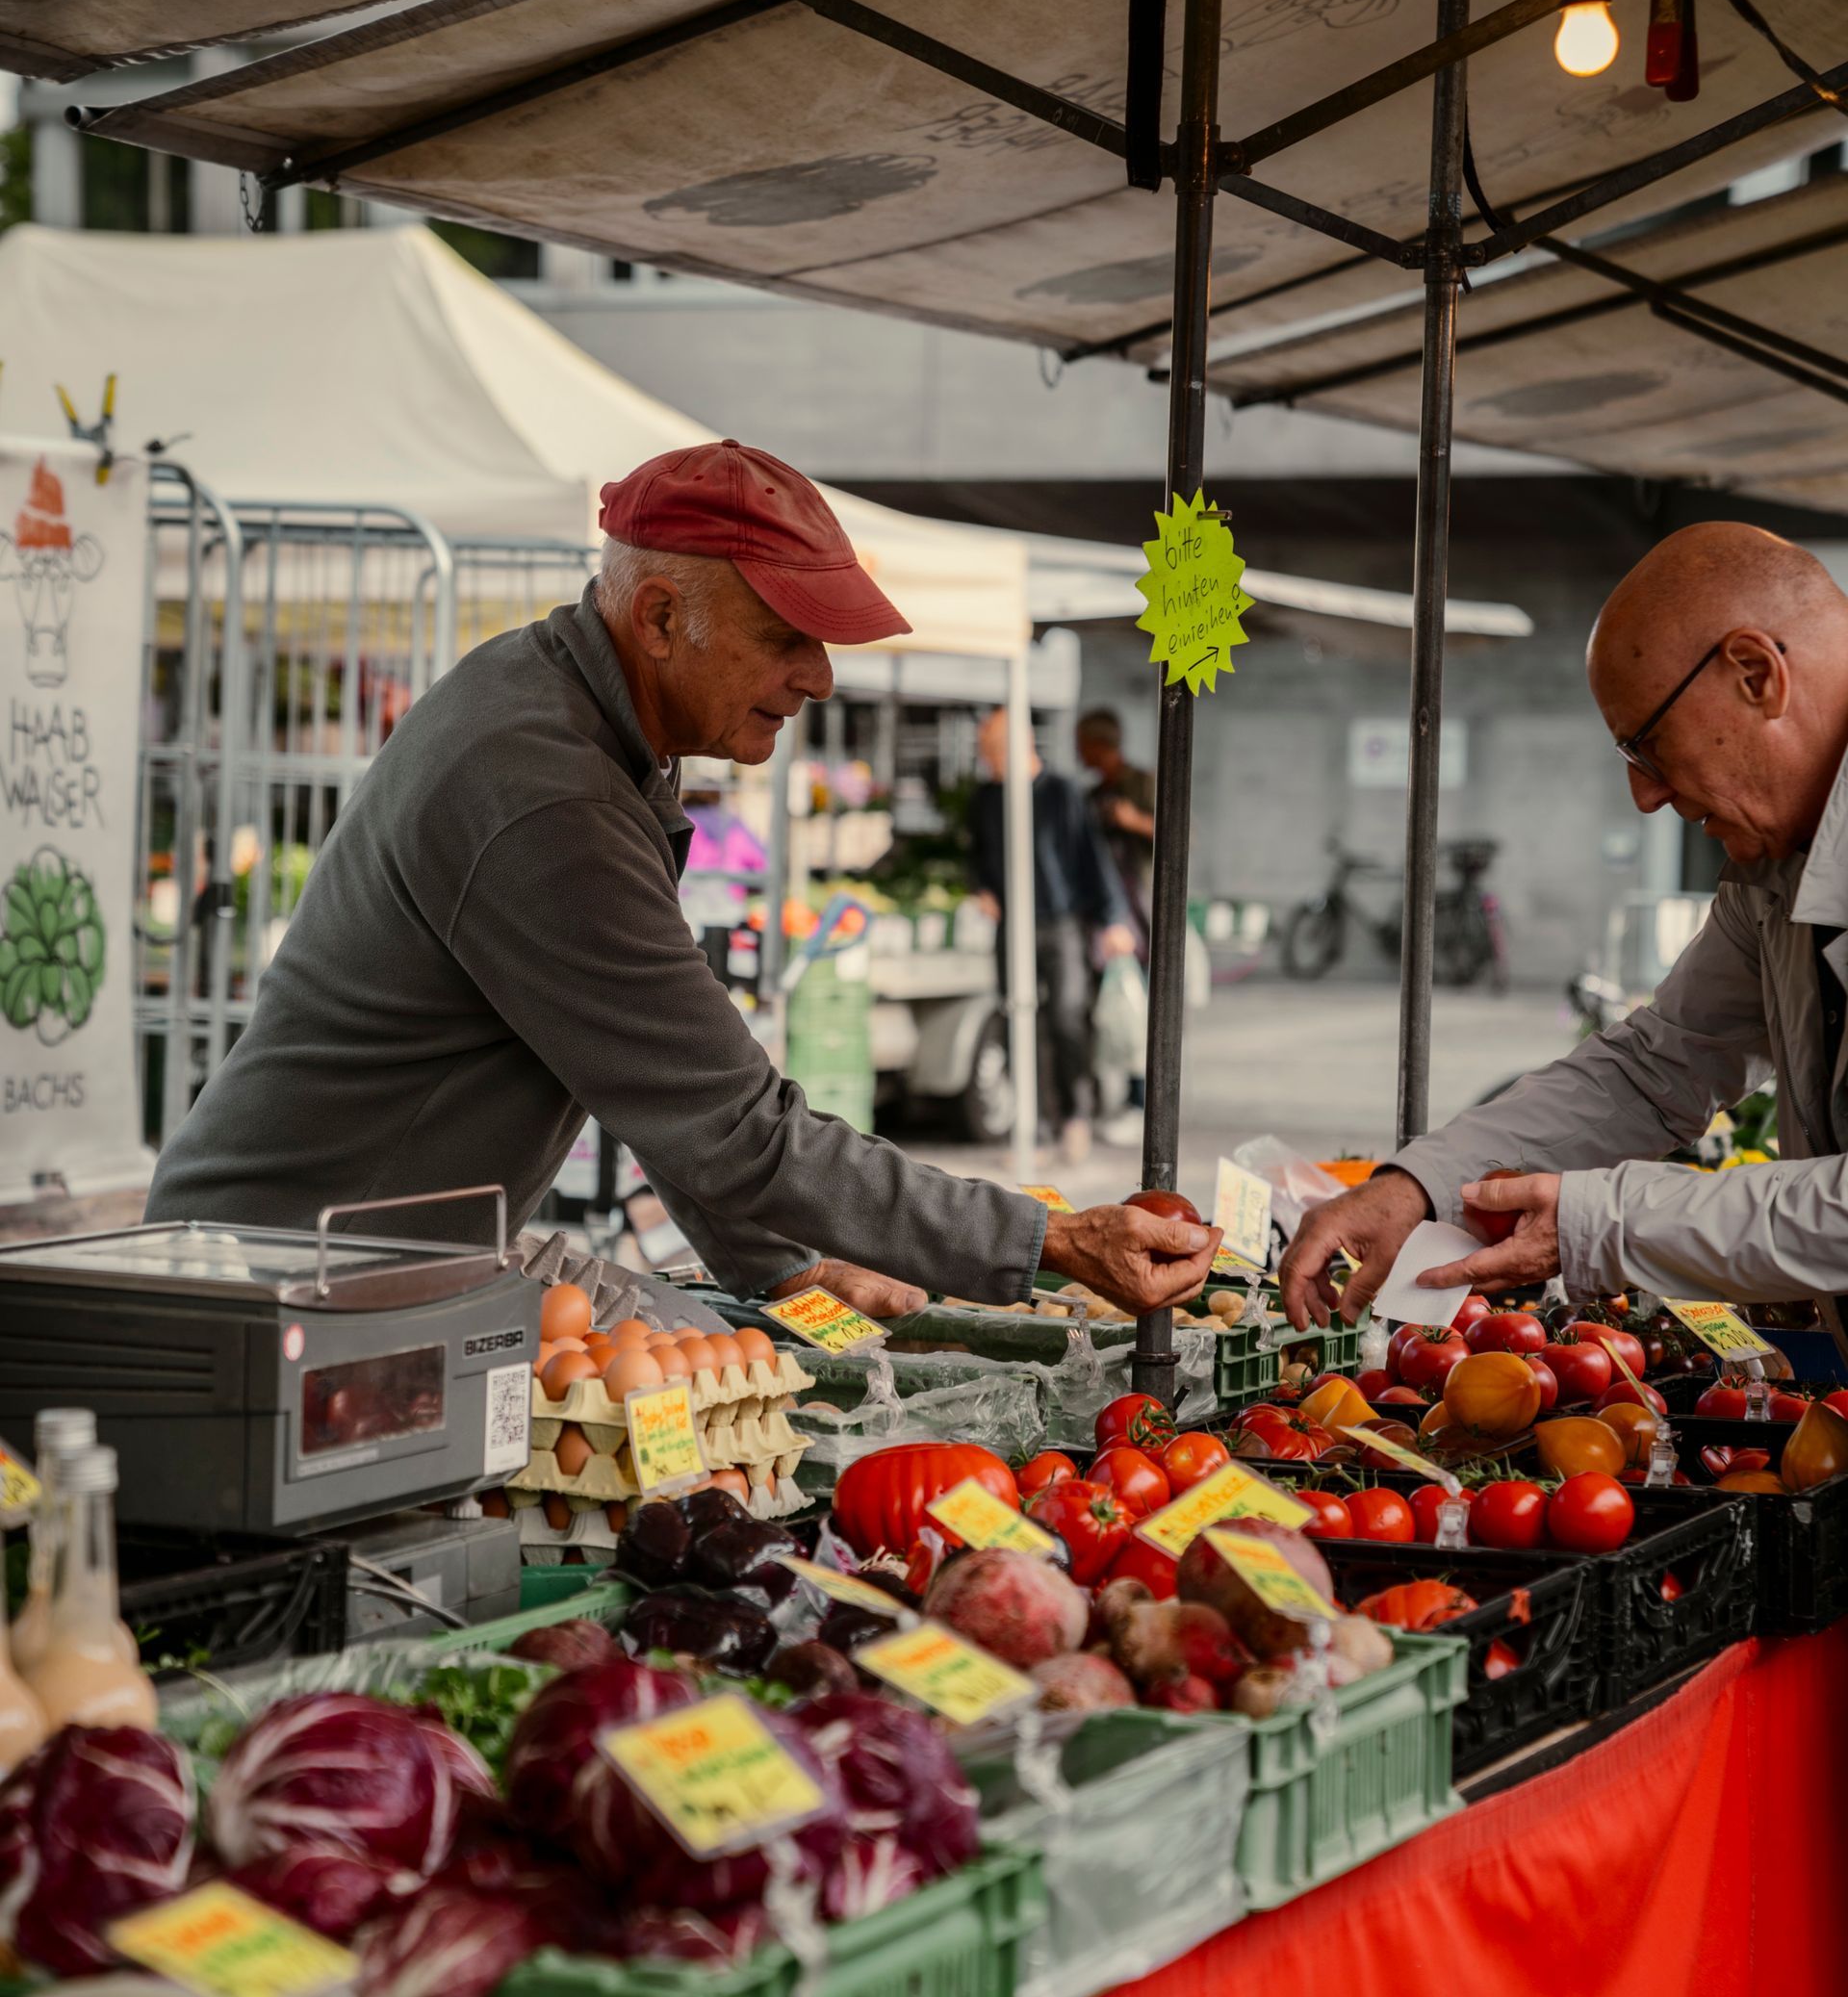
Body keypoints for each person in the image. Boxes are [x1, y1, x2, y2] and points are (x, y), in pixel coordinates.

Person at [147, 441, 1212, 1324]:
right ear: (657, 619)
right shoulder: (543, 789)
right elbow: (737, 1128)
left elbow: (661, 1088)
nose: (819, 677)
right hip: (277, 1286)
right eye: (785, 637)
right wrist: (1052, 1238)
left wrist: (780, 1267)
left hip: (361, 1259)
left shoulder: (566, 715)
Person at [1277, 523, 1848, 1334]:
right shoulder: (1774, 869)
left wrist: (1599, 1220)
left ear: (1756, 675)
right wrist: (1420, 1185)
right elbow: (1660, 1067)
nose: (1645, 796)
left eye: (1645, 744)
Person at [968, 704, 1134, 1166]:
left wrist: (1113, 918)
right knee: (1019, 1024)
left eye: (993, 753)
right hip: (1012, 928)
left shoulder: (1061, 793)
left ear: (1018, 748)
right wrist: (981, 888)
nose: (988, 763)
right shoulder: (985, 798)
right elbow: (978, 855)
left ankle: (1076, 1117)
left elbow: (1090, 856)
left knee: (1066, 1020)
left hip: (1061, 925)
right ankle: (1035, 1128)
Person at [1077, 706, 1158, 959]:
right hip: (1103, 896)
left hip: (1139, 895)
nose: (1077, 752)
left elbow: (1183, 838)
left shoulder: (1144, 782)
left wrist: (1133, 820)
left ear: (1099, 745)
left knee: (1147, 961)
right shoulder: (1092, 794)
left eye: (1081, 744)